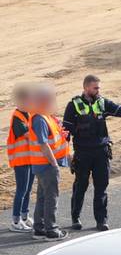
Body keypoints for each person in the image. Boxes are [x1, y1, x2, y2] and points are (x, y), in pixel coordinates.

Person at [62, 74, 121, 232]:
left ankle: (101, 220)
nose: (98, 90)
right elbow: (65, 131)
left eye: (99, 87)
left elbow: (119, 109)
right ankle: (75, 217)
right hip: (82, 153)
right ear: (86, 88)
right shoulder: (73, 105)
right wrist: (67, 153)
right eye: (95, 87)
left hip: (101, 152)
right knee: (80, 186)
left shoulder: (102, 102)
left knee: (101, 187)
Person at [22, 83, 70, 240]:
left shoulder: (45, 117)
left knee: (43, 197)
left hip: (43, 165)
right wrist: (54, 164)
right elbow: (43, 144)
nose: (54, 101)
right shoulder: (40, 119)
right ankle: (51, 230)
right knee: (51, 197)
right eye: (51, 98)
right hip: (46, 165)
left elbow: (54, 139)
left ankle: (40, 228)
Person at [6, 85, 35, 232]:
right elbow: (28, 135)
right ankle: (16, 221)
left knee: (28, 189)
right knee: (21, 190)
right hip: (21, 160)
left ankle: (25, 217)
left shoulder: (28, 115)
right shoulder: (17, 116)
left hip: (30, 159)